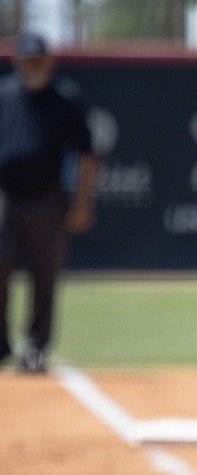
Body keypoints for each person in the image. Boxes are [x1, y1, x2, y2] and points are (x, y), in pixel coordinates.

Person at [0, 32, 98, 372]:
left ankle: (36, 348)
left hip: (48, 201)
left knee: (44, 279)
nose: (33, 67)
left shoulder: (65, 98)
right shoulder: (5, 95)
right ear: (18, 63)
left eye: (38, 60)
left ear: (49, 62)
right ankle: (1, 345)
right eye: (27, 61)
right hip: (7, 200)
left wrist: (83, 202)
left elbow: (87, 154)